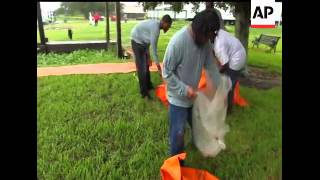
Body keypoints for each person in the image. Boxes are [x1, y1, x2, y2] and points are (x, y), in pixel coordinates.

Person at [162, 10, 221, 159]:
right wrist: (184, 89)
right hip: (178, 99)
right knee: (178, 134)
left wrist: (218, 85)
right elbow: (167, 72)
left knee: (197, 126)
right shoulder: (178, 42)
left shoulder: (205, 42)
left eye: (210, 37)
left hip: (192, 97)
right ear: (198, 30)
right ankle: (176, 166)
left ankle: (198, 144)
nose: (208, 40)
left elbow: (210, 66)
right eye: (206, 36)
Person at [131, 15, 172, 100]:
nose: (168, 29)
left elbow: (148, 42)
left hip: (143, 42)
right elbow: (154, 49)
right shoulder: (155, 29)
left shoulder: (157, 26)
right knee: (142, 68)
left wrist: (148, 56)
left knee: (147, 65)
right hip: (136, 41)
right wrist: (159, 68)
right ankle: (144, 93)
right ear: (164, 22)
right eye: (168, 26)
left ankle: (148, 86)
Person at [211, 29, 247, 114]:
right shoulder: (217, 32)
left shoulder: (218, 45)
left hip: (236, 59)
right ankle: (224, 107)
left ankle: (227, 110)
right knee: (227, 83)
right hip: (237, 52)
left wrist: (217, 72)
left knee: (228, 85)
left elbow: (225, 65)